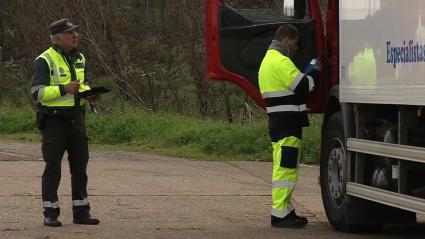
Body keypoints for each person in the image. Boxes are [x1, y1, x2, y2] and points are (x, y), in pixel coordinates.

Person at [30, 18, 100, 227]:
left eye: (76, 33)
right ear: (59, 38)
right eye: (71, 34)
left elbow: (83, 84)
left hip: (77, 119)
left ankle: (81, 212)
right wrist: (63, 88)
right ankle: (50, 212)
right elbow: (37, 93)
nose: (76, 36)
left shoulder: (80, 57)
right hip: (54, 120)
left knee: (80, 166)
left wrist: (90, 94)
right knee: (53, 166)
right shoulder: (44, 60)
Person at [258, 24, 321, 228]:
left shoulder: (267, 62)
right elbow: (305, 86)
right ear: (286, 41)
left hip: (278, 122)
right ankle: (280, 215)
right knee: (286, 169)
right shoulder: (281, 61)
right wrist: (314, 70)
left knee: (282, 168)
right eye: (294, 45)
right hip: (288, 124)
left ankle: (285, 210)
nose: (294, 48)